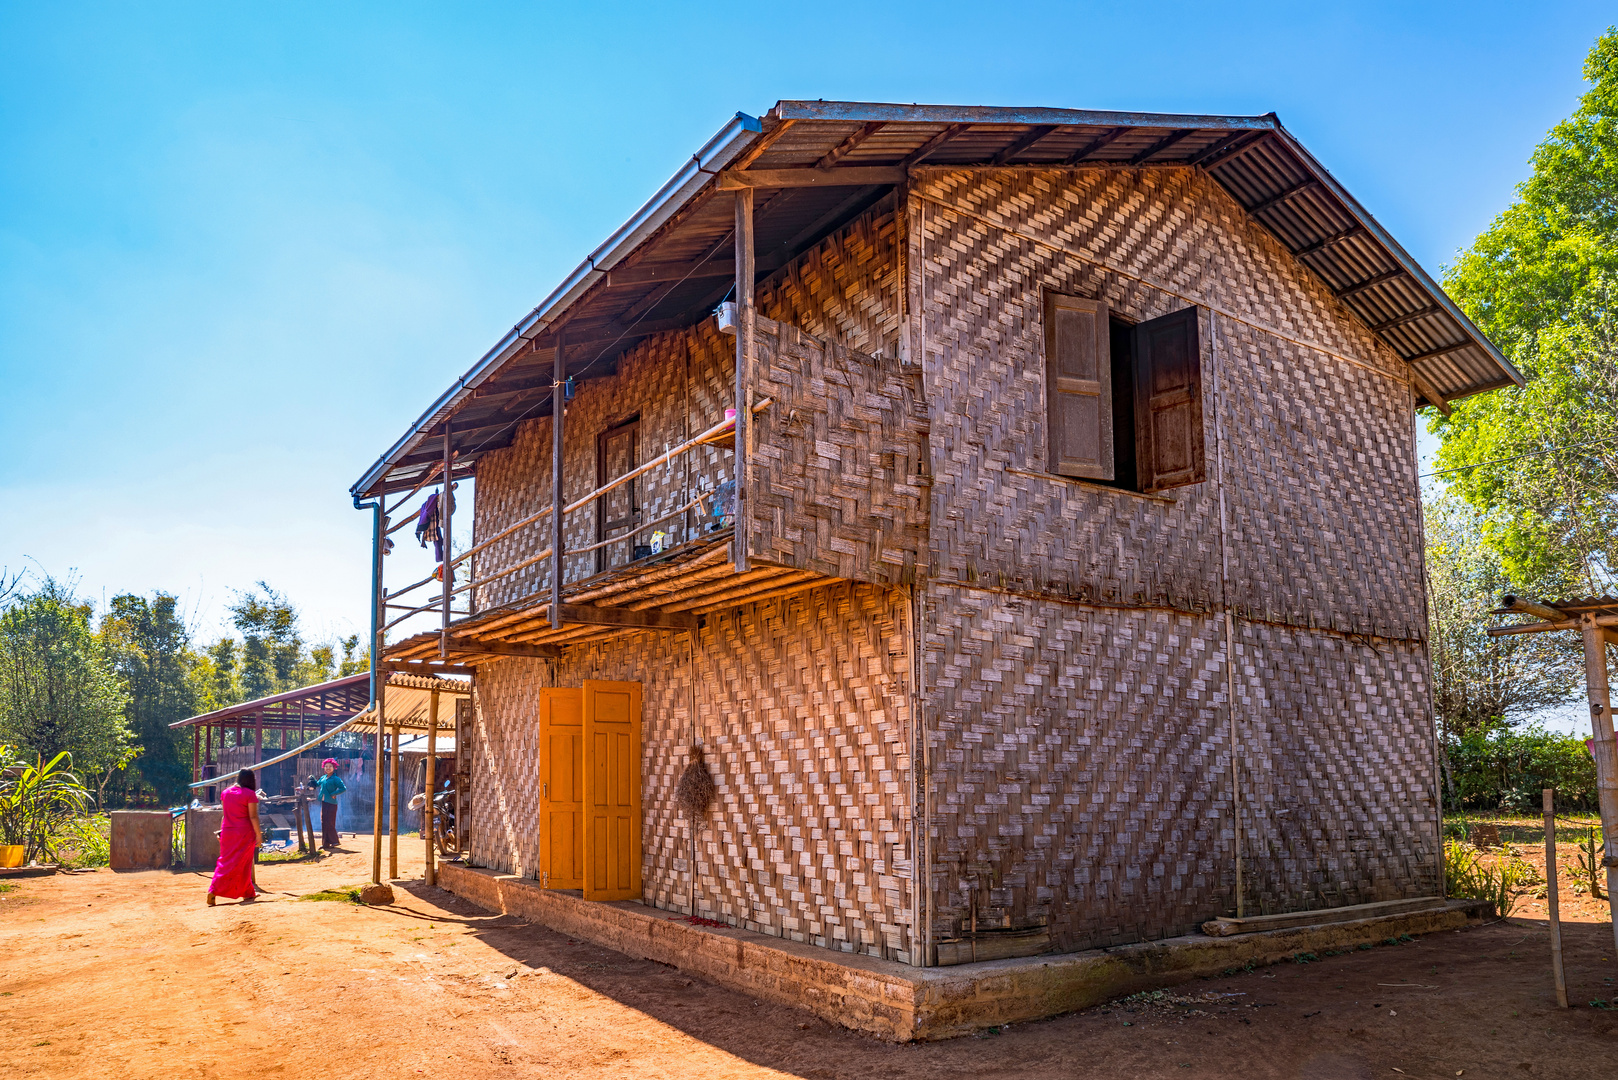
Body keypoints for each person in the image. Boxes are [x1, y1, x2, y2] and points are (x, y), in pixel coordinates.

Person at [207, 768, 261, 906]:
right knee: (243, 863)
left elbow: (225, 814)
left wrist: (221, 831)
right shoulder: (250, 794)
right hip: (244, 833)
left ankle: (245, 892)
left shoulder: (226, 793)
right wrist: (259, 835)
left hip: (228, 831)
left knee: (224, 862)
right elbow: (253, 816)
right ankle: (217, 890)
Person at [313, 758, 347, 849]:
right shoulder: (323, 778)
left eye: (330, 766)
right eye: (326, 766)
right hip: (324, 802)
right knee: (324, 822)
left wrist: (334, 794)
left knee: (330, 822)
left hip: (332, 803)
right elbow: (317, 784)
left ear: (334, 767)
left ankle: (335, 841)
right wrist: (312, 780)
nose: (328, 768)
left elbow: (343, 788)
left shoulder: (336, 779)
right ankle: (325, 844)